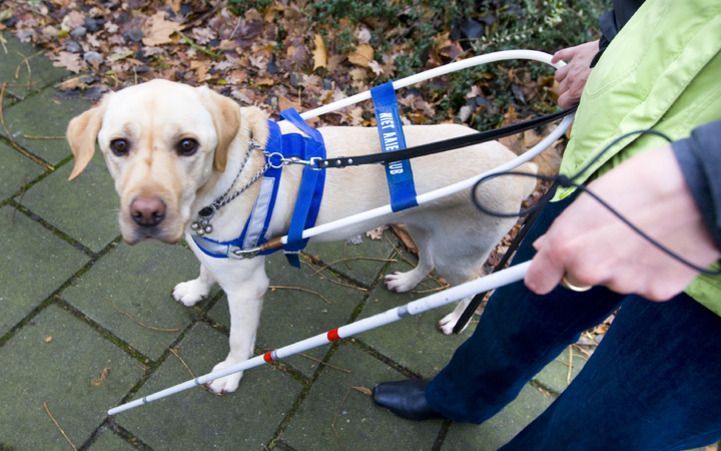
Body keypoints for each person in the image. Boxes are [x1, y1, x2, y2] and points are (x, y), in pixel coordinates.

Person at [372, 0, 721, 449]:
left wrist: (704, 184)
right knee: (520, 314)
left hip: (706, 274)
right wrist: (615, 41)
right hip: (614, 152)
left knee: (609, 426)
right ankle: (459, 396)